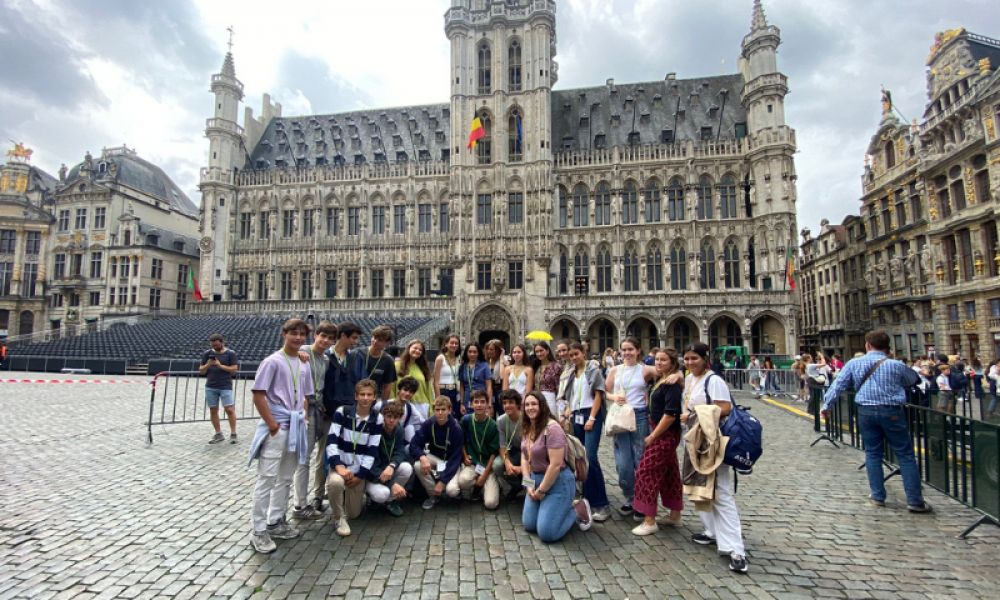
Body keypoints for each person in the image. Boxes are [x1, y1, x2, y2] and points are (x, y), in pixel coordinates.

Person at [821, 330, 931, 514]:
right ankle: (915, 501)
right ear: (887, 347)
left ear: (868, 345)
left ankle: (878, 496)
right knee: (905, 455)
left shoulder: (854, 363)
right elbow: (913, 379)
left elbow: (838, 385)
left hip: (866, 411)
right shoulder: (896, 364)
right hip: (892, 411)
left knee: (872, 453)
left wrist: (827, 405)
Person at [247, 319, 314, 554]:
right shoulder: (272, 362)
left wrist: (304, 416)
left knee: (285, 477)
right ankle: (258, 530)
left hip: (296, 425)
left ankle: (275, 521)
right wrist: (272, 425)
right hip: (278, 427)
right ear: (284, 334)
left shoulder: (304, 362)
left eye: (302, 334)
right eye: (293, 333)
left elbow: (305, 395)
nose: (298, 337)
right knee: (266, 479)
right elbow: (258, 394)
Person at [681, 341, 748, 574]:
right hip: (696, 440)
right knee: (700, 487)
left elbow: (725, 407)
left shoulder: (714, 380)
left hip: (713, 442)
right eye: (687, 358)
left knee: (721, 492)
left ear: (705, 359)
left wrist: (694, 414)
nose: (690, 362)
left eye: (694, 358)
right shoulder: (690, 379)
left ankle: (736, 549)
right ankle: (711, 531)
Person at [521, 391, 592, 542]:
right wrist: (528, 485)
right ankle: (549, 510)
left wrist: (541, 491)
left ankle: (578, 509)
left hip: (557, 481)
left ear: (542, 406)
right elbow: (525, 458)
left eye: (534, 404)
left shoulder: (552, 429)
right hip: (535, 479)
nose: (530, 408)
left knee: (547, 533)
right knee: (529, 525)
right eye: (527, 404)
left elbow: (555, 465)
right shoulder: (528, 426)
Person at [632, 348, 685, 535]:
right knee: (670, 472)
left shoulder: (671, 384)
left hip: (665, 433)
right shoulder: (662, 378)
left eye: (664, 360)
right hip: (661, 430)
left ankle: (649, 520)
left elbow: (670, 414)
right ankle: (675, 515)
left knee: (646, 471)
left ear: (672, 363)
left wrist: (653, 436)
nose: (659, 363)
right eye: (657, 359)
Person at [604, 337, 657, 518]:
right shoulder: (615, 370)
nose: (627, 353)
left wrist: (678, 376)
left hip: (639, 415)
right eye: (624, 349)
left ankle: (641, 501)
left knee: (640, 459)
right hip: (620, 416)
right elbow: (605, 391)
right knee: (623, 463)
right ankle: (630, 496)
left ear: (638, 351)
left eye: (630, 349)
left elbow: (668, 371)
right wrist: (614, 397)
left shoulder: (645, 369)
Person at [559, 341, 611, 522]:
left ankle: (601, 503)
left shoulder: (593, 370)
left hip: (590, 415)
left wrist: (593, 418)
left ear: (583, 353)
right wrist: (567, 412)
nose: (574, 358)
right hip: (577, 415)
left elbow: (598, 394)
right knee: (580, 458)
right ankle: (587, 496)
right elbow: (572, 397)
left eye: (576, 354)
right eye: (571, 355)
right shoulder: (572, 373)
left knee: (591, 457)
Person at [325, 379, 383, 537]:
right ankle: (338, 518)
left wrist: (360, 475)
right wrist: (338, 466)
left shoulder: (377, 419)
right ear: (356, 396)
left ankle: (343, 501)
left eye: (369, 395)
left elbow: (372, 450)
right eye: (362, 394)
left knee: (353, 514)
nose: (365, 398)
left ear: (374, 397)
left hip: (357, 471)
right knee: (335, 482)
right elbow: (331, 441)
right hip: (340, 467)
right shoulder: (342, 412)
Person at [292, 320, 336, 520]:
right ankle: (300, 505)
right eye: (323, 336)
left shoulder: (325, 359)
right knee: (304, 458)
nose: (325, 341)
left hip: (318, 409)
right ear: (316, 335)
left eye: (330, 338)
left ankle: (308, 500)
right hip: (305, 410)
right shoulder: (303, 352)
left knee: (315, 455)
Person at [317, 321, 364, 511]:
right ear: (343, 336)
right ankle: (318, 495)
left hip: (349, 414)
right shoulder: (325, 357)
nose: (355, 342)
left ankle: (341, 490)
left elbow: (360, 382)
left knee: (348, 451)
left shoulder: (355, 358)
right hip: (329, 414)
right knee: (324, 455)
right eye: (353, 338)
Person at [410, 395, 465, 509]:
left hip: (451, 463)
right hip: (436, 460)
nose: (440, 413)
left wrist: (443, 482)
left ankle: (446, 486)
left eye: (443, 409)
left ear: (449, 410)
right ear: (434, 410)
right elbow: (414, 444)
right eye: (437, 410)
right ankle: (434, 495)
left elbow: (456, 458)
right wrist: (422, 457)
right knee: (418, 465)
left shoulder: (456, 428)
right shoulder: (428, 424)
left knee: (452, 491)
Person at [449, 390, 500, 509]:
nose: (479, 405)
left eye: (482, 402)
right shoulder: (466, 420)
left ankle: (488, 485)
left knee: (491, 504)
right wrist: (465, 456)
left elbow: (494, 453)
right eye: (476, 402)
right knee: (463, 481)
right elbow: (461, 441)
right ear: (471, 404)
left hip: (488, 467)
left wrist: (484, 475)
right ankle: (478, 486)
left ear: (487, 404)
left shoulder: (493, 425)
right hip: (473, 464)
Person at [367, 400, 411, 517]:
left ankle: (390, 502)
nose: (391, 420)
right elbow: (371, 463)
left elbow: (400, 452)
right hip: (373, 475)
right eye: (389, 416)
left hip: (387, 470)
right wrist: (392, 484)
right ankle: (372, 498)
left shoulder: (399, 430)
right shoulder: (376, 430)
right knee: (383, 494)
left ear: (400, 418)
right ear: (383, 416)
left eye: (395, 417)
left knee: (407, 468)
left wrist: (392, 466)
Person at [199, 333, 239, 444]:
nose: (214, 347)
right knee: (213, 410)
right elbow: (201, 371)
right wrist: (208, 364)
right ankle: (218, 433)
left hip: (225, 386)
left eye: (216, 345)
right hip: (210, 386)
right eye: (213, 345)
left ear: (222, 342)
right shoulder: (207, 354)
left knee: (229, 410)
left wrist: (219, 365)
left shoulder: (230, 353)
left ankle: (233, 433)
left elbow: (234, 369)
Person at [494, 389, 524, 501]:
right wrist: (507, 463)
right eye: (504, 403)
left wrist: (523, 467)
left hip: (529, 453)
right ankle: (517, 486)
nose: (507, 406)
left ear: (518, 404)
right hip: (513, 451)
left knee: (529, 470)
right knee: (497, 465)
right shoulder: (501, 420)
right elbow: (502, 446)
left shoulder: (526, 419)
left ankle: (529, 486)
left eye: (511, 402)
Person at [395, 340, 434, 420]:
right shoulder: (397, 365)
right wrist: (394, 403)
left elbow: (429, 390)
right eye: (415, 348)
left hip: (421, 405)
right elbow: (392, 386)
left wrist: (431, 407)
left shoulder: (423, 368)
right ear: (409, 348)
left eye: (420, 350)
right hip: (402, 404)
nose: (417, 351)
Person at [356, 325, 397, 401]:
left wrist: (383, 404)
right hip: (354, 396)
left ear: (387, 343)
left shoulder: (388, 360)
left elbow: (387, 386)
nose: (375, 341)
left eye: (380, 340)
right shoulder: (357, 353)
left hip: (373, 399)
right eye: (374, 338)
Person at [378, 376, 424, 443]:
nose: (407, 393)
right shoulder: (382, 405)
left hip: (396, 441)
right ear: (399, 390)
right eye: (405, 390)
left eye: (411, 392)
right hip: (379, 440)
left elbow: (424, 422)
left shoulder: (410, 408)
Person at [458, 342, 492, 417]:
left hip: (481, 399)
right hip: (467, 399)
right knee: (468, 420)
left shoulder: (484, 366)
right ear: (466, 353)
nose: (472, 354)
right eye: (470, 352)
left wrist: (489, 403)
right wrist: (461, 403)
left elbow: (489, 386)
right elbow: (462, 386)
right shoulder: (463, 367)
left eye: (475, 352)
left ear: (478, 353)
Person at [433, 334, 463, 418]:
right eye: (452, 343)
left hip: (455, 391)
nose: (454, 345)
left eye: (456, 343)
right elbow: (435, 381)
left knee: (455, 417)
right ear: (446, 344)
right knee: (444, 416)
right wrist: (438, 398)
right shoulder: (440, 358)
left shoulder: (459, 359)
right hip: (443, 391)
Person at [533, 342, 562, 416]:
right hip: (537, 399)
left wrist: (560, 403)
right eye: (537, 352)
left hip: (550, 398)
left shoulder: (555, 366)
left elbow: (559, 386)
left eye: (541, 350)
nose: (539, 354)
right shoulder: (536, 367)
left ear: (547, 351)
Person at [484, 339, 507, 416]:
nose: (489, 351)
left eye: (492, 349)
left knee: (502, 413)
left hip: (500, 390)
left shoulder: (505, 360)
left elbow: (502, 376)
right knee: (490, 414)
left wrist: (501, 358)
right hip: (489, 390)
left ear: (498, 350)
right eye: (488, 349)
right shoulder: (486, 362)